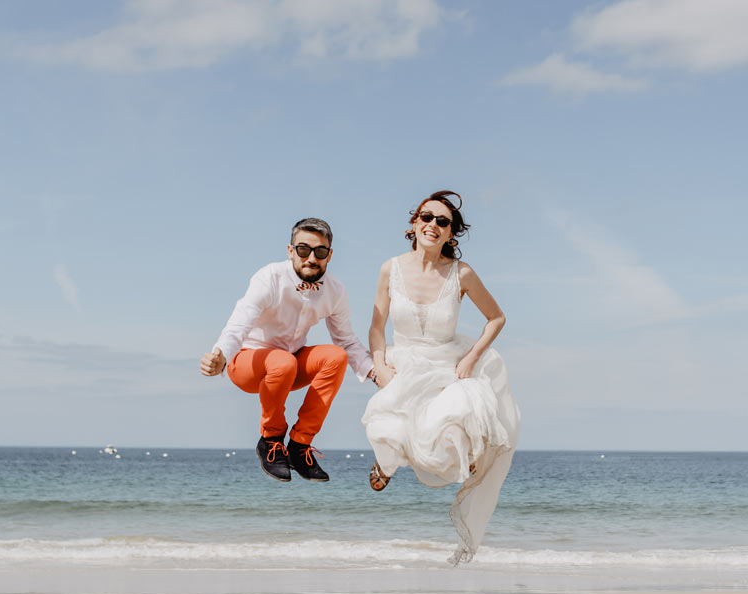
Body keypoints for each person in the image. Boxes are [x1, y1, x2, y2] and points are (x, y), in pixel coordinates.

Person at [362, 190, 521, 564]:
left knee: (454, 424)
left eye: (442, 222)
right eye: (426, 217)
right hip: (403, 364)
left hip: (447, 363)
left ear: (452, 234)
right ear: (413, 224)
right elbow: (376, 325)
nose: (432, 225)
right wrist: (379, 364)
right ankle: (385, 464)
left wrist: (471, 358)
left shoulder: (461, 274)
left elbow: (496, 318)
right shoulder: (390, 268)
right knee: (391, 432)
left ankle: (461, 463)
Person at [201, 217, 377, 483]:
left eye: (320, 252)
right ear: (290, 250)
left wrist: (376, 373)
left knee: (336, 357)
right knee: (282, 361)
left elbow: (347, 340)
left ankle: (299, 445)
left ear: (329, 255)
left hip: (290, 365)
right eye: (303, 249)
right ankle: (271, 441)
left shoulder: (336, 290)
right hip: (248, 362)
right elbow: (240, 322)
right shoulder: (269, 277)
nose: (311, 258)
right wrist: (220, 355)